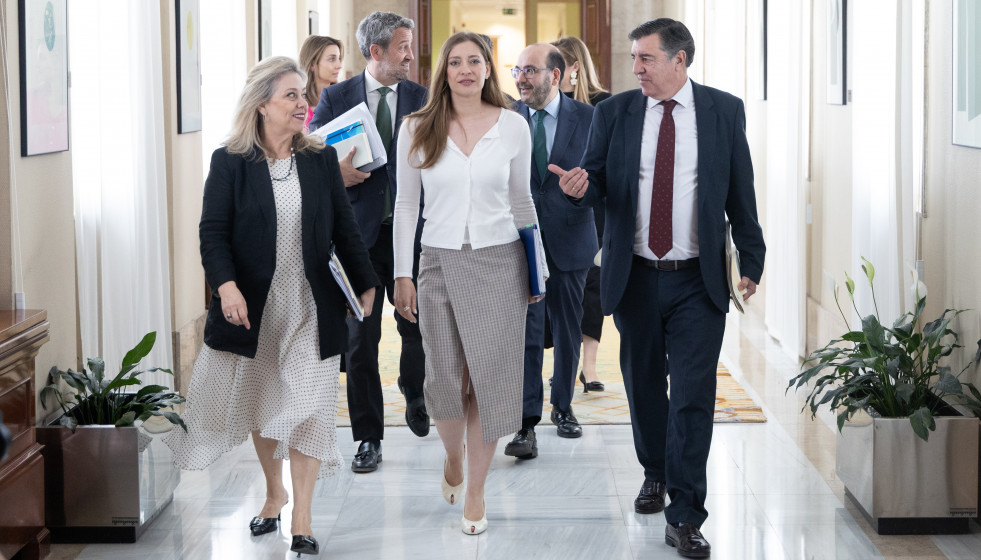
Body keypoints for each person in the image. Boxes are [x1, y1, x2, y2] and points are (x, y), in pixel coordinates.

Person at [551, 19, 765, 558]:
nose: (636, 68)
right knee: (645, 386)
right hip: (637, 275)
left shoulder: (722, 111)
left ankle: (687, 513)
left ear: (680, 60)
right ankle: (654, 471)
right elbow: (596, 178)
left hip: (698, 279)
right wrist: (580, 188)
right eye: (634, 58)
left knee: (693, 396)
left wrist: (753, 260)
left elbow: (741, 191)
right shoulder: (615, 112)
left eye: (646, 58)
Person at [165, 56, 380, 557]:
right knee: (266, 404)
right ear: (262, 104)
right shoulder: (231, 161)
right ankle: (274, 492)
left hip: (311, 304)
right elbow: (212, 234)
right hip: (257, 308)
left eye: (303, 95)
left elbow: (344, 229)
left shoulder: (320, 157)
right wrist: (226, 287)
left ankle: (301, 515)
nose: (303, 104)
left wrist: (365, 282)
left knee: (307, 405)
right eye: (291, 96)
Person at [392, 31, 545, 535]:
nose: (464, 70)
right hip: (436, 262)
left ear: (487, 68)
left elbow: (523, 202)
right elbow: (405, 206)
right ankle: (452, 458)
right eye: (455, 61)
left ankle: (475, 491)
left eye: (474, 61)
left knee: (489, 380)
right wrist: (402, 273)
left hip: (501, 263)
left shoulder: (513, 126)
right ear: (444, 70)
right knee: (444, 381)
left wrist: (536, 268)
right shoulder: (416, 126)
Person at [309, 11, 430, 472]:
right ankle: (368, 438)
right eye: (402, 45)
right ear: (376, 51)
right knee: (361, 340)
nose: (409, 54)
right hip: (355, 238)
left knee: (416, 327)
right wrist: (332, 171)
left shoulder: (422, 98)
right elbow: (309, 152)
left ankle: (413, 388)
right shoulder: (336, 96)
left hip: (411, 235)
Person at [503, 43, 595, 461]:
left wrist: (582, 190)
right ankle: (526, 422)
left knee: (568, 325)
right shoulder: (505, 120)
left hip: (572, 235)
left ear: (555, 76)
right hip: (518, 239)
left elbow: (603, 180)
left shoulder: (590, 119)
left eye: (531, 71)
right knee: (528, 330)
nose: (521, 78)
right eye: (517, 70)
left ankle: (563, 406)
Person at [552, 36, 610, 391]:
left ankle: (589, 369)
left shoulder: (604, 105)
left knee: (593, 287)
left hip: (595, 207)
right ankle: (564, 362)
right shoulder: (547, 102)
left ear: (574, 66)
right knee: (561, 290)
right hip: (554, 208)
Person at [298, 35, 344, 131]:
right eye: (332, 59)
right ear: (312, 64)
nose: (339, 65)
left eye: (339, 58)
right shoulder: (298, 103)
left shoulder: (343, 99)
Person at [552, 36, 611, 107]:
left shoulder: (602, 100)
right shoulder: (546, 100)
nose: (548, 68)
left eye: (555, 62)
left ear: (575, 67)